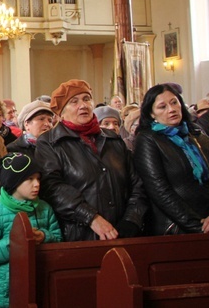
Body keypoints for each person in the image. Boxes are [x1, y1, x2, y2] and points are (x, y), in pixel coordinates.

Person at [36, 79, 147, 241]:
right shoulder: (50, 142)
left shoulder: (112, 140)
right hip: (81, 235)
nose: (83, 105)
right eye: (74, 102)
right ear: (61, 112)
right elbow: (52, 187)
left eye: (87, 99)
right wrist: (91, 218)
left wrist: (131, 220)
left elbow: (137, 182)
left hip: (123, 232)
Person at [133, 84, 209, 235]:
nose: (171, 109)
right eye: (162, 107)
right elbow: (159, 190)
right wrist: (198, 227)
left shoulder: (198, 135)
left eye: (174, 102)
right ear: (151, 114)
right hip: (174, 228)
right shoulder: (147, 139)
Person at [0, 152, 62, 308]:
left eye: (38, 179)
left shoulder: (45, 208)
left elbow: (58, 240)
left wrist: (43, 236)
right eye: (29, 179)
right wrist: (15, 242)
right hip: (5, 296)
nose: (36, 184)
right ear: (13, 182)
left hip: (39, 288)